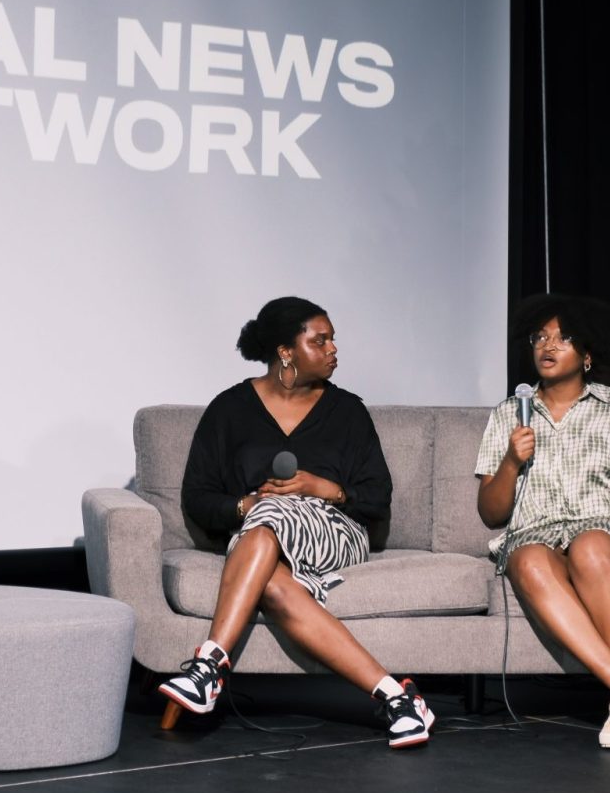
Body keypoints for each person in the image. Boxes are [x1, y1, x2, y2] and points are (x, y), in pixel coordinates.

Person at [165, 297, 435, 748]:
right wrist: (245, 504)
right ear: (285, 351)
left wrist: (322, 488)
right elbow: (198, 497)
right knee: (272, 573)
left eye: (332, 340)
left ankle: (208, 666)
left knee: (269, 518)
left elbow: (377, 498)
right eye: (320, 340)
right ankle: (398, 698)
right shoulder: (229, 409)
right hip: (259, 537)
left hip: (335, 530)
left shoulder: (347, 411)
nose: (333, 350)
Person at [474, 294, 610, 754]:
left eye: (563, 338)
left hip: (606, 527)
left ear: (586, 355)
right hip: (536, 531)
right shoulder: (510, 413)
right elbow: (491, 512)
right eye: (540, 337)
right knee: (525, 558)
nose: (548, 345)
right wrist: (510, 460)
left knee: (589, 545)